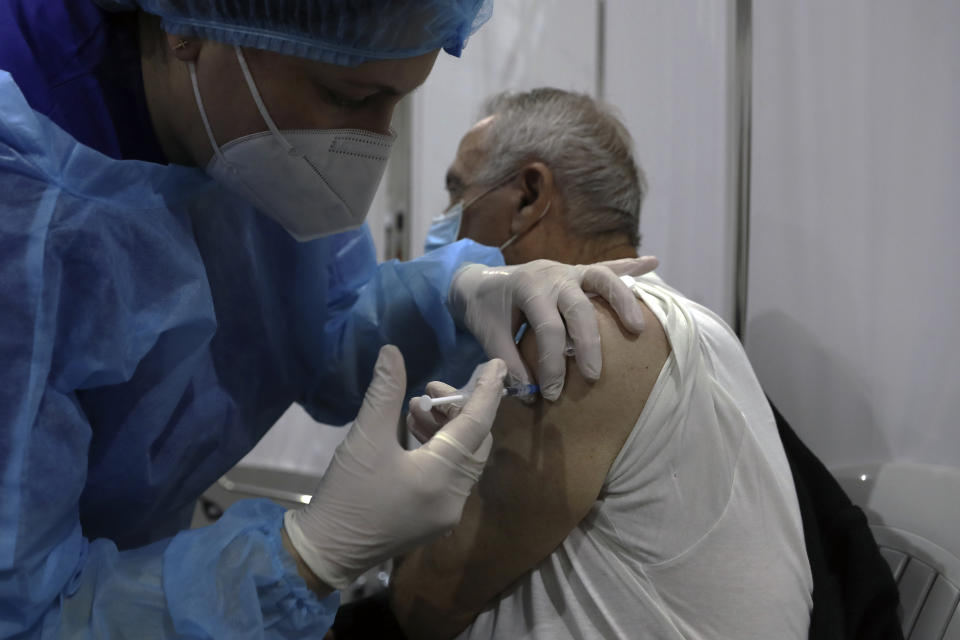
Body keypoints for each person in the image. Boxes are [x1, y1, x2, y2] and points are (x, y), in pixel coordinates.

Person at [0, 3, 660, 638]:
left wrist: (454, 293)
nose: (373, 145)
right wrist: (305, 559)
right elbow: (21, 616)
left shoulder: (240, 138)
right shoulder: (23, 197)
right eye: (347, 97)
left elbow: (323, 331)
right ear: (187, 28)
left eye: (398, 100)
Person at [391, 88, 814, 639]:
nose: (445, 222)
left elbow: (425, 603)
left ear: (529, 194)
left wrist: (413, 492)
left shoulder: (593, 333)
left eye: (457, 193)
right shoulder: (684, 322)